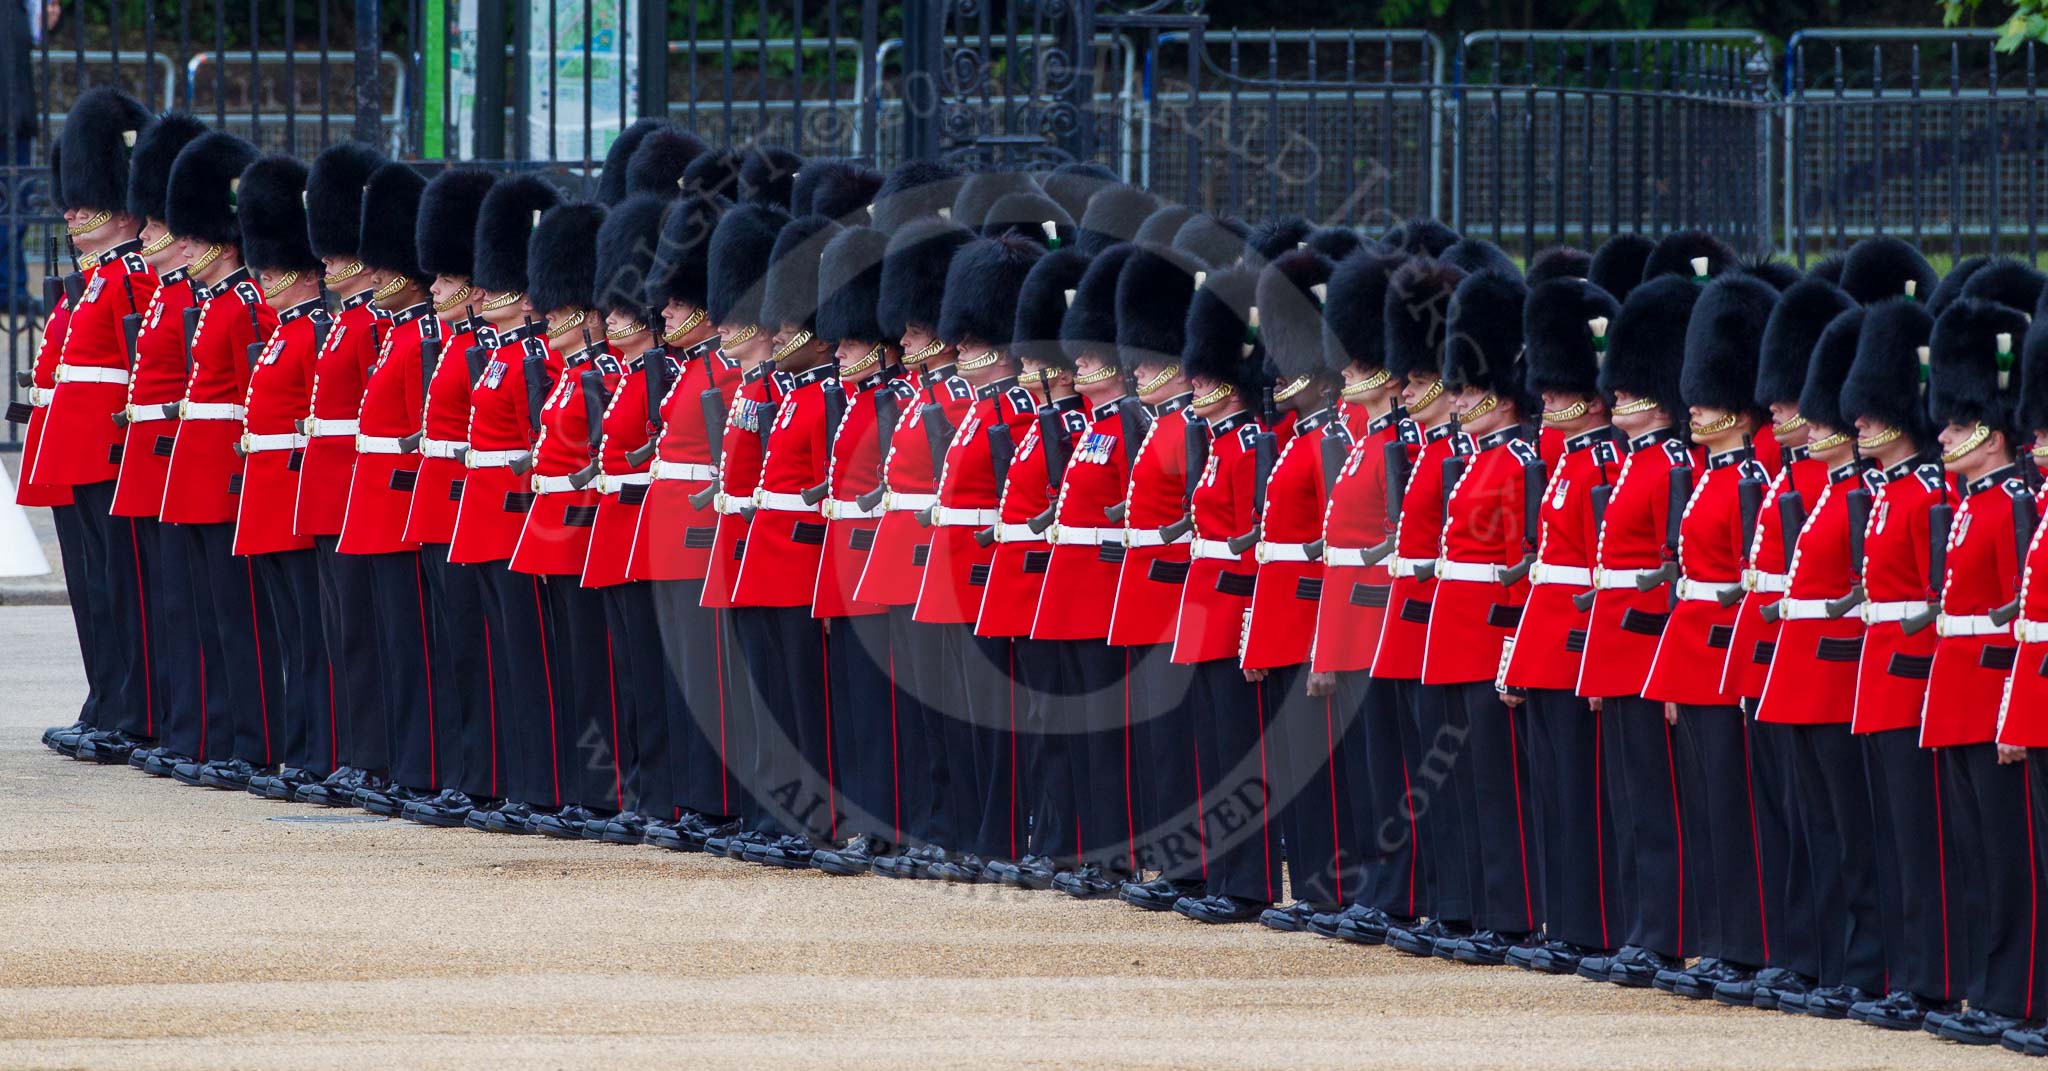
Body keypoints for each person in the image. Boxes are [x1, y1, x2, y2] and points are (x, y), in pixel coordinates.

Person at [1500, 268, 1624, 974]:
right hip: (1549, 640)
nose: (1544, 397)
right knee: (1555, 794)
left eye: (1559, 385)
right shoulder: (1573, 458)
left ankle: (1589, 925)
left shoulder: (1602, 460)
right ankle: (1563, 919)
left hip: (1577, 644)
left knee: (1583, 795)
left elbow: (1601, 576)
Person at [155, 129, 280, 791]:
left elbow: (247, 405)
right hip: (195, 476)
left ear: (224, 241)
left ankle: (252, 742)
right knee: (207, 614)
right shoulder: (213, 305)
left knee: (240, 621)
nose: (184, 247)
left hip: (224, 477)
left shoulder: (246, 306)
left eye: (195, 237)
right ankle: (222, 734)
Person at [230, 154, 333, 804]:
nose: (262, 275)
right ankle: (298, 748)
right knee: (292, 637)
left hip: (293, 493)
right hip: (269, 494)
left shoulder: (312, 330)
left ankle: (313, 752)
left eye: (273, 266)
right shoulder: (284, 331)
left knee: (311, 640)